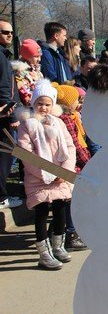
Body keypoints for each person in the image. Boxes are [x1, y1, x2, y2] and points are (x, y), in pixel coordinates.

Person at [16, 79, 75, 269]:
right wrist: (48, 174)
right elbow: (25, 153)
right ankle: (43, 253)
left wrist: (64, 172)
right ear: (33, 103)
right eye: (40, 103)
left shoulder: (58, 123)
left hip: (59, 178)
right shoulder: (28, 125)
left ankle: (58, 246)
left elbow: (69, 146)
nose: (44, 107)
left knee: (60, 213)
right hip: (38, 178)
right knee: (41, 214)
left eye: (48, 104)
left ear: (53, 105)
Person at [54, 83, 90, 251]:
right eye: (77, 100)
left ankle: (61, 232)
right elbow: (75, 145)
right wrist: (88, 162)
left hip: (69, 166)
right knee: (72, 201)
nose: (79, 103)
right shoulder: (67, 120)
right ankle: (72, 234)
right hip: (72, 166)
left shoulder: (71, 117)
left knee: (68, 202)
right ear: (68, 103)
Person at [0, 18, 21, 210]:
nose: (10, 36)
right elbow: (5, 89)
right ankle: (2, 197)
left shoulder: (4, 56)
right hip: (4, 116)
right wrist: (11, 116)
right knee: (5, 157)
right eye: (5, 32)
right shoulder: (1, 58)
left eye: (11, 33)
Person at [13, 39, 44, 106]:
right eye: (36, 56)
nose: (39, 59)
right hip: (30, 106)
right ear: (27, 56)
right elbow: (24, 92)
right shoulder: (21, 72)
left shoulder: (37, 70)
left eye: (40, 56)